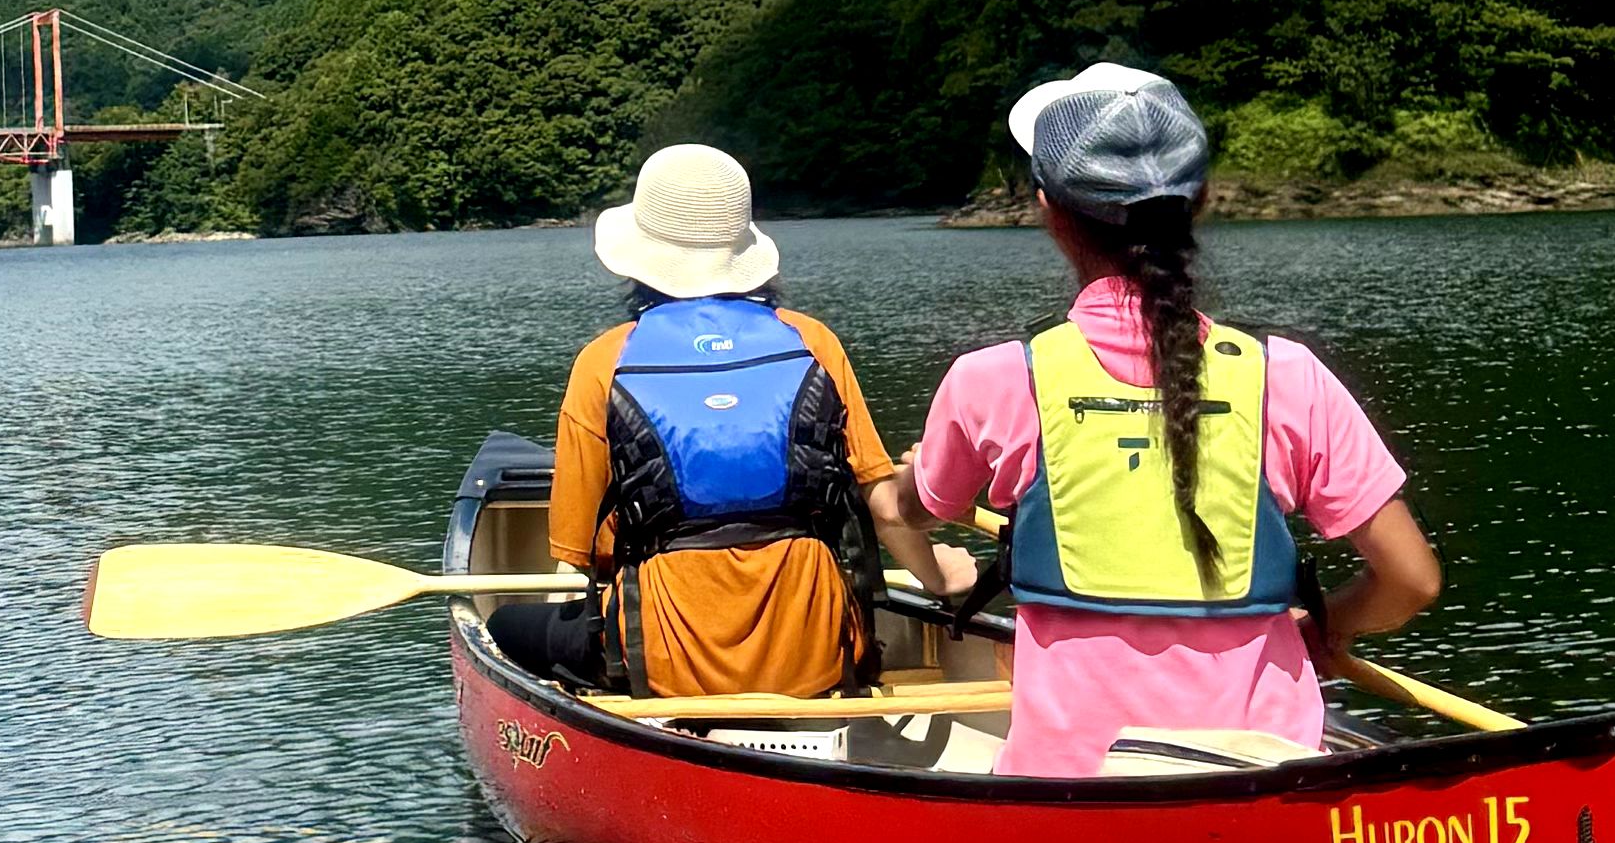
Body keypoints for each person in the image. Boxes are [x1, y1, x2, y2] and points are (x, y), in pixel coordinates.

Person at [907, 60, 1440, 777]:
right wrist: (1326, 627)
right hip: (1266, 770)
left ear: (1047, 210)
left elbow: (926, 506)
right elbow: (1411, 581)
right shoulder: (1289, 376)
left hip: (1069, 782)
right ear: (1203, 200)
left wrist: (901, 490)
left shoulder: (993, 380)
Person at [499, 140, 955, 704]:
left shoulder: (604, 362)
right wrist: (940, 578)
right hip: (818, 654)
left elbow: (580, 550)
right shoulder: (813, 343)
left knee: (505, 628)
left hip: (661, 663)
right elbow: (886, 508)